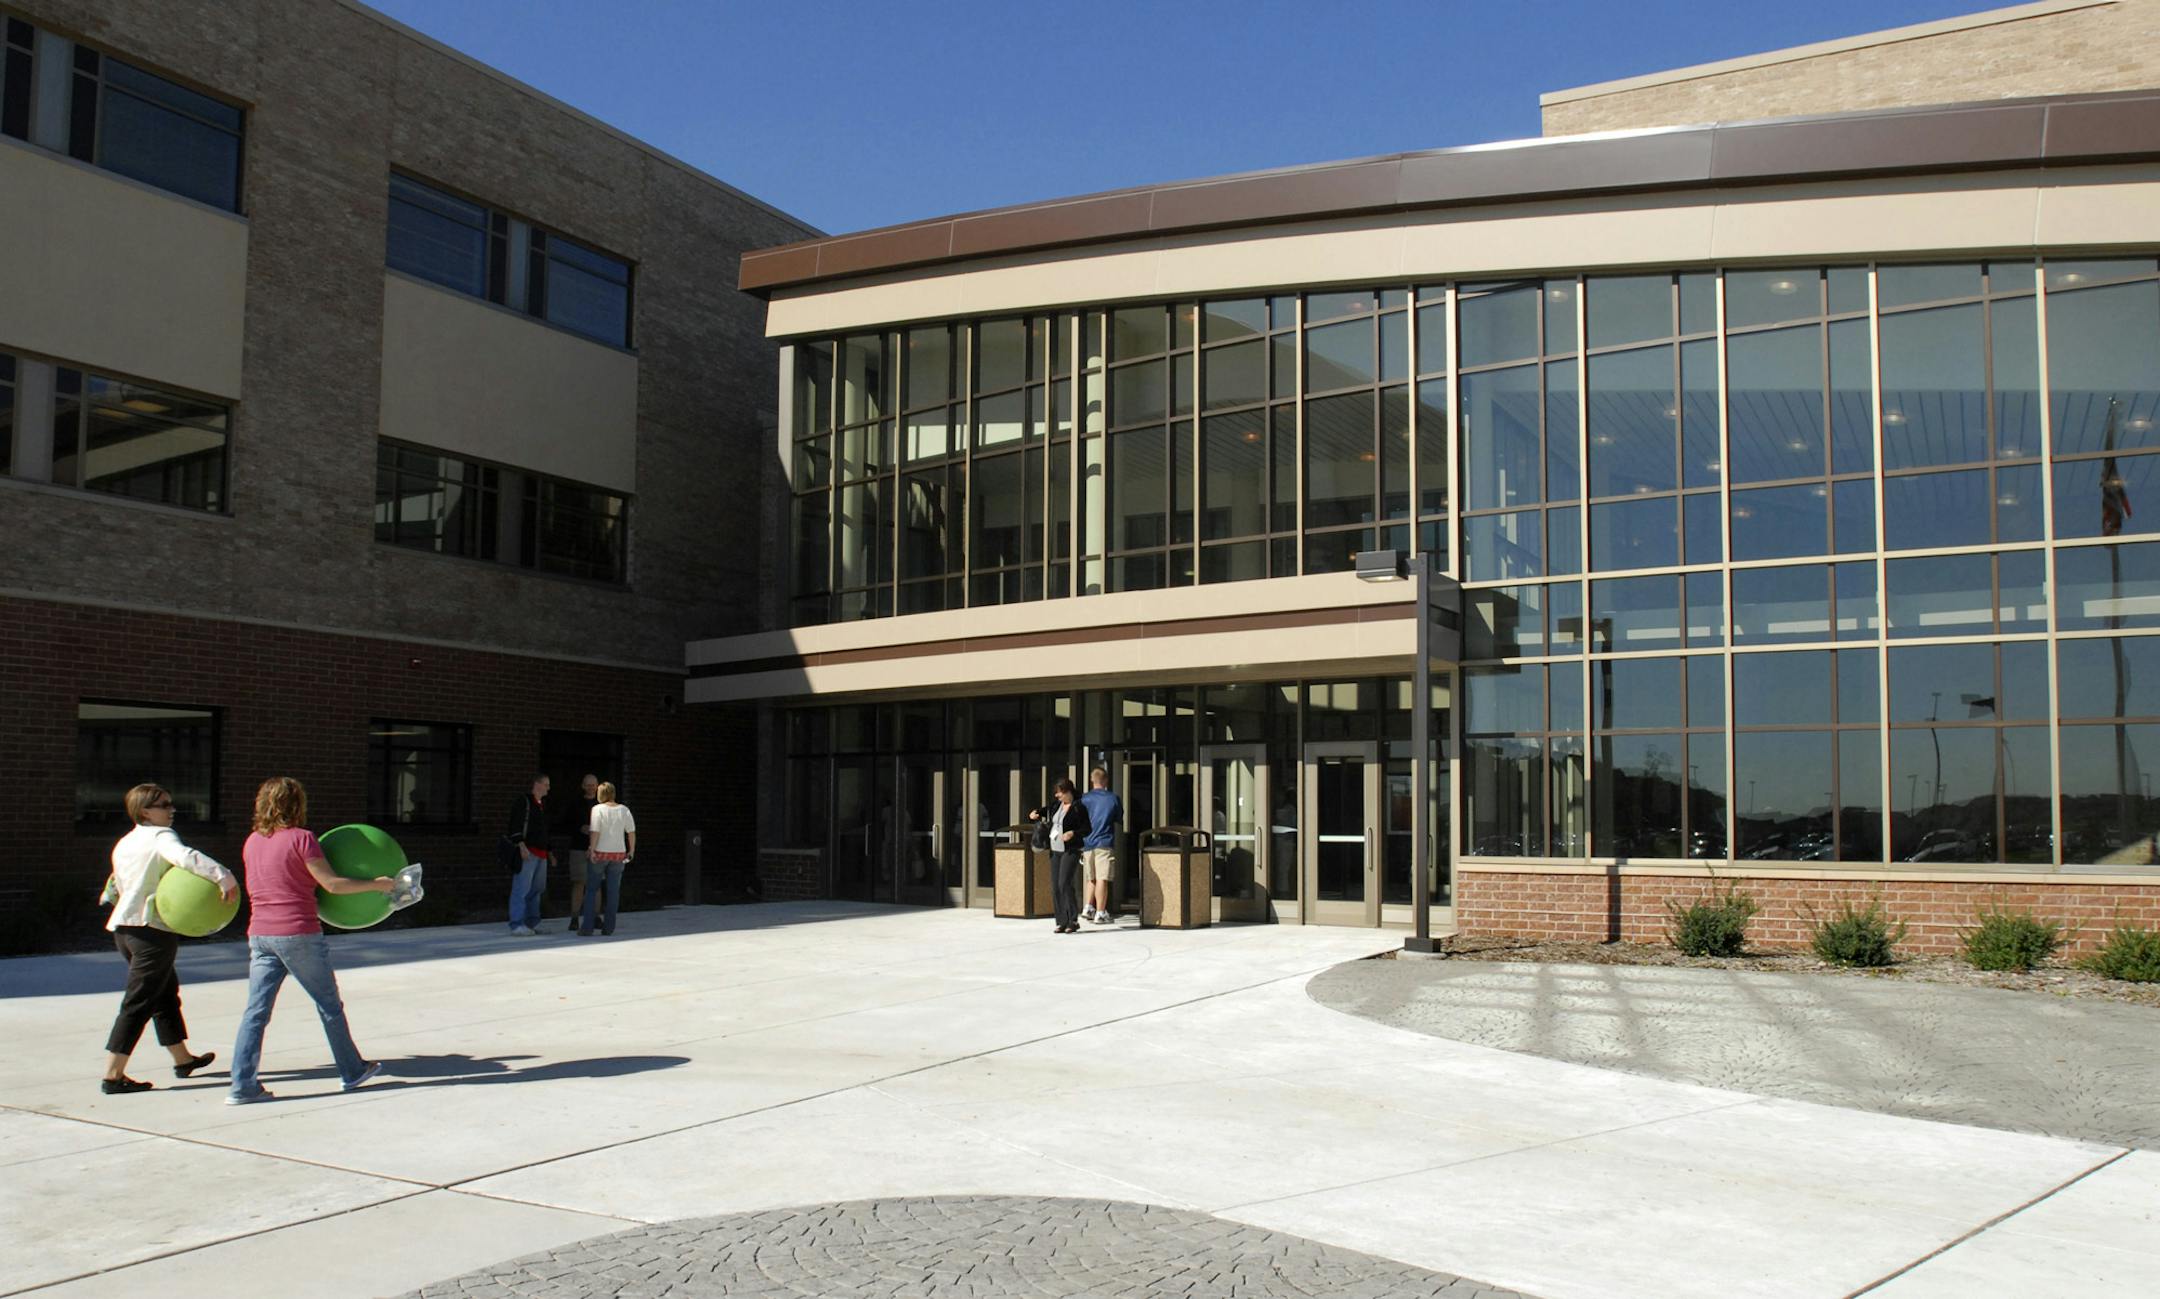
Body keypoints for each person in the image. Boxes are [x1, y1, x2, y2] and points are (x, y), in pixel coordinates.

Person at [227, 777, 395, 1105]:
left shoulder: (252, 842)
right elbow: (332, 885)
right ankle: (351, 1070)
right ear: (296, 804)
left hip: (260, 934)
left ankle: (241, 1086)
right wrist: (377, 884)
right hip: (298, 933)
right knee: (329, 1006)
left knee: (255, 1012)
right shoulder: (303, 839)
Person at [99, 783, 237, 1094]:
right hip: (151, 931)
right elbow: (186, 857)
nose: (172, 809)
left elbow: (116, 884)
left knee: (163, 993)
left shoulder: (125, 841)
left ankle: (182, 1058)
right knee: (139, 1001)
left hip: (125, 929)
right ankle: (113, 1074)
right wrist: (223, 876)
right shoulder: (161, 836)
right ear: (145, 811)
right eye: (164, 805)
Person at [1026, 777, 1091, 934]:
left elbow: (1087, 829)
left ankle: (1072, 920)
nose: (1057, 796)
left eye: (1060, 793)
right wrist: (1036, 813)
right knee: (1055, 886)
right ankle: (1061, 921)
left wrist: (1073, 833)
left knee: (1064, 883)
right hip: (1055, 849)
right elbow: (1046, 810)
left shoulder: (1078, 807)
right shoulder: (1057, 806)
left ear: (1068, 792)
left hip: (1070, 850)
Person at [578, 781, 637, 936]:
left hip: (600, 853)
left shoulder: (597, 809)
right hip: (618, 854)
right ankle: (609, 927)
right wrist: (631, 850)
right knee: (613, 892)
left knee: (591, 890)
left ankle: (587, 927)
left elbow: (595, 831)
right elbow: (631, 832)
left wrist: (591, 849)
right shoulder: (624, 810)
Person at [505, 774, 551, 935]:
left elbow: (543, 830)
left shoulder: (541, 805)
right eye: (546, 784)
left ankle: (532, 921)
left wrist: (549, 851)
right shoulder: (524, 801)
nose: (548, 788)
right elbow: (515, 825)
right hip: (528, 851)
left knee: (537, 889)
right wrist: (521, 845)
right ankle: (516, 923)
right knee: (521, 887)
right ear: (537, 784)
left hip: (541, 852)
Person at [1079, 766, 1122, 925]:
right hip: (1104, 841)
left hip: (1087, 842)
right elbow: (1118, 818)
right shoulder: (1113, 798)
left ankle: (1088, 907)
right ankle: (1100, 912)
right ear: (1105, 780)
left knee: (1091, 877)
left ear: (1092, 780)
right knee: (1103, 878)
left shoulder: (1084, 799)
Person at [559, 773, 599, 936]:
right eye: (587, 785)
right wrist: (579, 828)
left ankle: (596, 917)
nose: (590, 787)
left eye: (593, 785)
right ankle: (575, 918)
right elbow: (565, 824)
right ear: (583, 786)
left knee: (596, 884)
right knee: (579, 882)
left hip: (597, 849)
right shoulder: (575, 804)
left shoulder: (601, 804)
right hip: (578, 847)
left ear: (597, 786)